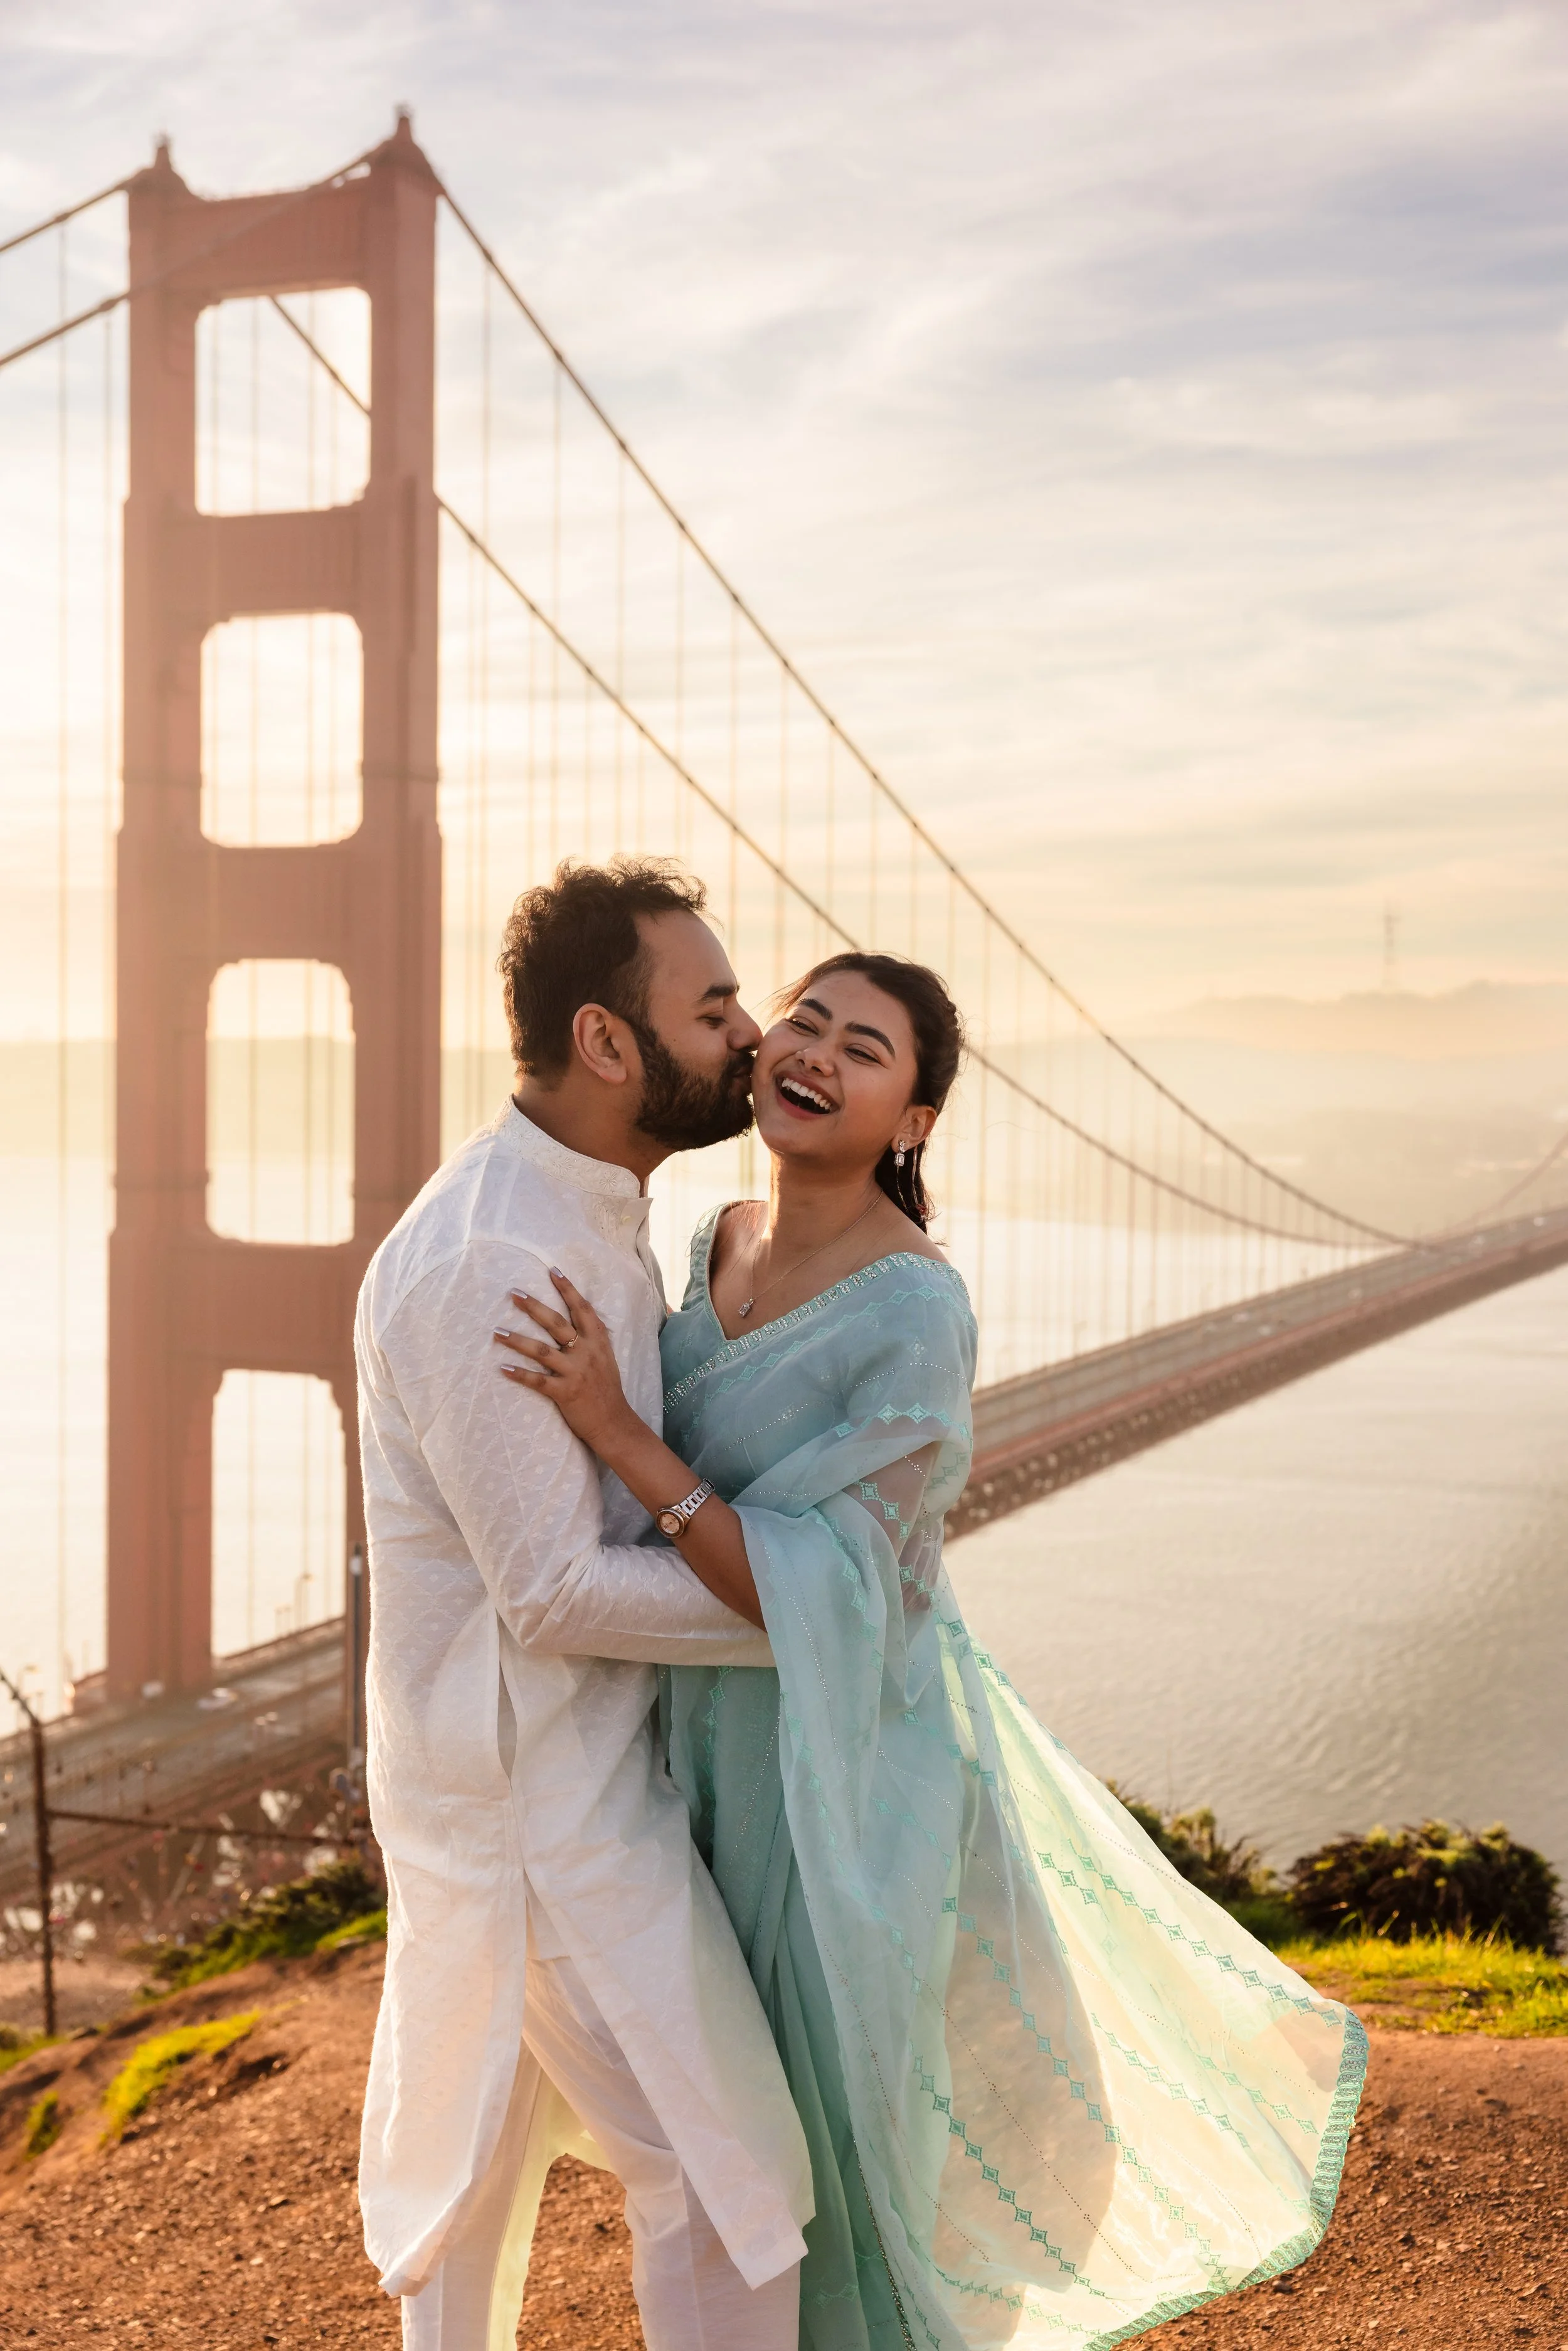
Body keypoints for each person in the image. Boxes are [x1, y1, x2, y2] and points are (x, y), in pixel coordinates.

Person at [493, 946, 1370, 2348]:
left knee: (835, 2150)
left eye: (866, 1049)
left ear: (911, 1120)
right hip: (693, 1757)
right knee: (725, 2142)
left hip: (841, 1776)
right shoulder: (710, 1237)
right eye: (806, 1020)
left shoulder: (915, 1310)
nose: (816, 1054)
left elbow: (830, 1591)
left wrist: (614, 1429)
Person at [354, 859, 813, 2351]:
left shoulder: (587, 1210)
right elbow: (550, 1589)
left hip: (538, 1781)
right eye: (714, 1005)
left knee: (472, 2196)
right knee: (732, 2186)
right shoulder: (494, 1257)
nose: (751, 1033)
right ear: (607, 1041)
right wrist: (806, 1605)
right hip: (537, 1818)